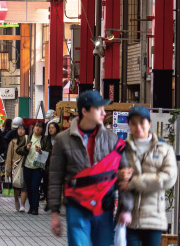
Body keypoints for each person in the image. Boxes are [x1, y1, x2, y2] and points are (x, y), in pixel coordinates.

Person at [49, 90, 131, 246]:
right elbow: (55, 177)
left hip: (104, 207)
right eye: (99, 109)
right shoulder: (63, 140)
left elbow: (126, 177)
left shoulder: (113, 139)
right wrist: (54, 213)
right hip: (76, 206)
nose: (104, 113)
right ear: (85, 111)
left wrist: (126, 208)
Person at [117, 106, 177, 246]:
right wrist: (118, 175)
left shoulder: (164, 149)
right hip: (129, 217)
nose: (138, 126)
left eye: (142, 122)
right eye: (133, 123)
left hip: (154, 218)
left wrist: (134, 182)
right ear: (129, 126)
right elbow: (110, 177)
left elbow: (169, 177)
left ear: (149, 123)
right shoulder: (122, 149)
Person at [17, 120, 52, 216]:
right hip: (27, 166)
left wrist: (41, 151)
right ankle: (31, 207)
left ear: (43, 129)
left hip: (38, 167)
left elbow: (48, 153)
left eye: (40, 127)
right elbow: (18, 150)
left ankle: (35, 208)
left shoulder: (45, 139)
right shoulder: (27, 138)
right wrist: (26, 148)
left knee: (35, 187)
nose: (38, 128)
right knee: (28, 187)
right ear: (33, 127)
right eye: (36, 126)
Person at [4, 124, 29, 212]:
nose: (20, 131)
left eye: (22, 129)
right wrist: (8, 170)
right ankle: (16, 200)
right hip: (15, 166)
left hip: (26, 165)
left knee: (24, 185)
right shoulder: (13, 142)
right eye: (19, 129)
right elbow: (9, 156)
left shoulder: (28, 141)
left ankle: (22, 204)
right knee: (16, 185)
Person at [43, 121, 62, 212]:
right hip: (47, 165)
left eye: (52, 128)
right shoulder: (46, 139)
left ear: (57, 129)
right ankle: (48, 202)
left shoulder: (61, 139)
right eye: (49, 128)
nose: (50, 129)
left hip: (58, 166)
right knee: (46, 185)